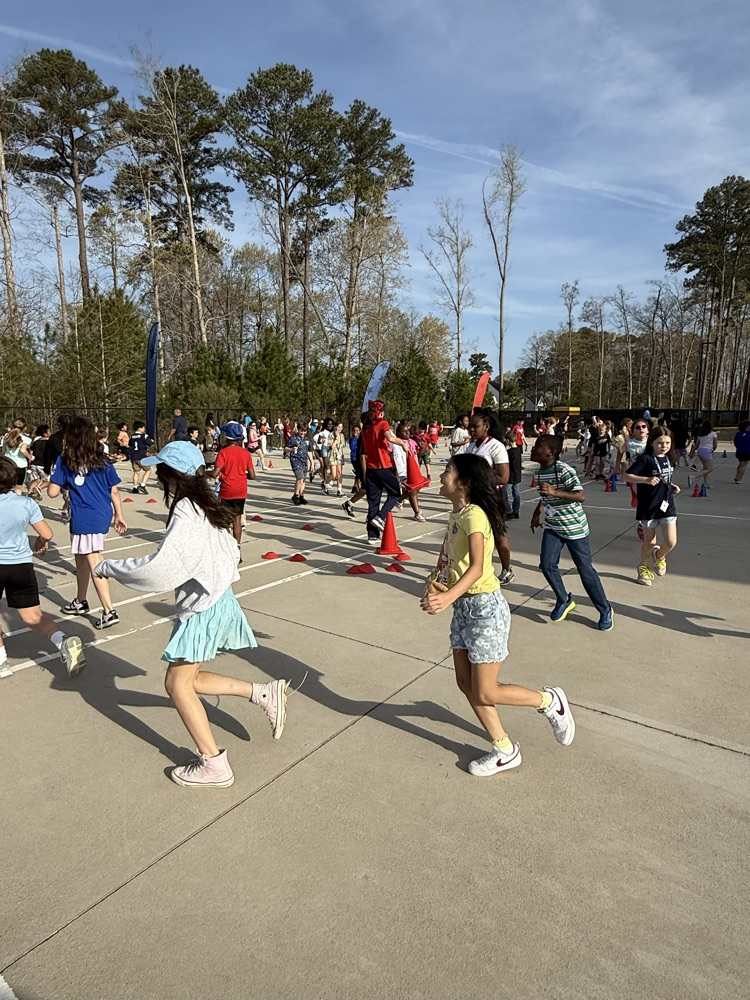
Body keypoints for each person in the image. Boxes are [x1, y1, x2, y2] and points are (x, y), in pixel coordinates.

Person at [92, 442, 289, 788]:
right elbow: (231, 553)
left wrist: (111, 567)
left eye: (161, 471)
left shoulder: (186, 509)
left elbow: (162, 569)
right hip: (218, 599)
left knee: (176, 684)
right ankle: (262, 692)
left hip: (203, 607)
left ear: (173, 476)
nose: (156, 477)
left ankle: (213, 763)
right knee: (190, 679)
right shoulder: (207, 505)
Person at [420, 452, 575, 777]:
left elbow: (478, 568)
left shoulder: (475, 516)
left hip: (485, 611)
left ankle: (549, 702)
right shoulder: (457, 515)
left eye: (447, 470)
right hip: (464, 609)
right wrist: (435, 586)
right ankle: (504, 749)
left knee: (486, 690)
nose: (440, 475)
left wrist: (447, 596)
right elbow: (449, 559)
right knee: (466, 683)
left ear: (464, 483)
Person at [0, 456, 86, 679]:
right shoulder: (26, 503)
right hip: (21, 566)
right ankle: (62, 641)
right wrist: (40, 542)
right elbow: (47, 533)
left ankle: (1, 661)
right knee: (33, 617)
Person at [47, 415, 127, 629]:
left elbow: (52, 492)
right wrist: (119, 515)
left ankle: (109, 610)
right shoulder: (103, 458)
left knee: (94, 562)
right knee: (81, 559)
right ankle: (80, 600)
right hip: (101, 513)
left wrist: (57, 478)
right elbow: (114, 489)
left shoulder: (66, 460)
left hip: (85, 516)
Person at [529, 434, 614, 631]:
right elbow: (545, 497)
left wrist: (555, 492)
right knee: (547, 565)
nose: (533, 448)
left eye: (538, 445)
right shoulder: (540, 472)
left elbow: (580, 495)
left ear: (550, 452)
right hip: (553, 525)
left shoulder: (563, 470)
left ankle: (605, 609)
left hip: (574, 527)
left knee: (585, 570)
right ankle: (563, 599)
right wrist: (537, 513)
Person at [625, 426, 681, 586]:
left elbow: (664, 478)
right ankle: (643, 567)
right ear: (652, 442)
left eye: (667, 443)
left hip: (667, 504)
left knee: (671, 541)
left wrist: (672, 486)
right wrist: (646, 480)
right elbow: (627, 475)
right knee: (649, 541)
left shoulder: (670, 458)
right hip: (648, 506)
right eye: (660, 443)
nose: (664, 446)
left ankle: (659, 555)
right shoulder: (646, 459)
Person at [466, 409, 514, 586]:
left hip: (493, 496)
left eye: (475, 426)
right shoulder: (472, 446)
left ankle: (507, 569)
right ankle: (475, 570)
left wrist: (479, 479)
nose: (471, 430)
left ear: (486, 426)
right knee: (475, 533)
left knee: (498, 534)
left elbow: (504, 477)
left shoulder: (496, 446)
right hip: (474, 496)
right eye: (469, 426)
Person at [361, 400, 408, 544]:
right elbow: (390, 438)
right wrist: (403, 444)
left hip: (371, 469)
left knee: (373, 501)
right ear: (380, 412)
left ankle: (372, 535)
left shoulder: (365, 428)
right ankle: (380, 517)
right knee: (395, 493)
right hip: (384, 467)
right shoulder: (382, 423)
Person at [214, 422, 256, 547]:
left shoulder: (223, 453)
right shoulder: (246, 453)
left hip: (227, 490)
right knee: (237, 520)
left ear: (227, 437)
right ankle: (237, 546)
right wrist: (241, 475)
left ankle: (228, 545)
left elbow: (215, 473)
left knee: (224, 520)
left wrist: (205, 473)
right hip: (240, 490)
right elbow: (253, 475)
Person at [394, 421, 425, 522]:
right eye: (404, 431)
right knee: (412, 490)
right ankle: (417, 513)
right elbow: (396, 457)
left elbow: (417, 455)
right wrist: (401, 472)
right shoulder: (397, 443)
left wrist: (423, 448)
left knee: (416, 489)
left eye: (408, 431)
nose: (407, 433)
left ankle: (399, 500)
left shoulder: (412, 441)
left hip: (413, 469)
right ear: (399, 433)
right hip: (403, 470)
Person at [284, 422, 311, 505]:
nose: (302, 433)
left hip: (304, 461)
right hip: (296, 460)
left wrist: (312, 462)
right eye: (301, 431)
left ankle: (301, 496)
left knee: (303, 480)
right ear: (298, 430)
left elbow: (309, 451)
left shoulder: (307, 439)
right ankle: (296, 495)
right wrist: (291, 449)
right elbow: (285, 448)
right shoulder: (293, 438)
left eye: (304, 431)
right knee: (300, 478)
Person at [688, 420, 718, 489]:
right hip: (707, 450)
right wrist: (712, 450)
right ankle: (694, 477)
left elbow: (696, 444)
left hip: (700, 450)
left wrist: (692, 451)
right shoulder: (713, 434)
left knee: (705, 468)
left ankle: (705, 483)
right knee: (710, 468)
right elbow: (715, 445)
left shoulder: (701, 434)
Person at [2, 427, 31, 495]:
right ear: (24, 428)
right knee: (18, 487)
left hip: (8, 464)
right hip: (20, 465)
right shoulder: (26, 439)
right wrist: (30, 457)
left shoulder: (6, 437)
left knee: (6, 487)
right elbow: (23, 450)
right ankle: (16, 503)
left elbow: (3, 450)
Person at [27, 425, 52, 501]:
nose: (50, 432)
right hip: (43, 465)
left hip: (34, 464)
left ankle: (29, 493)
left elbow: (31, 453)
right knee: (48, 481)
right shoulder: (49, 443)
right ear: (45, 434)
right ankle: (39, 488)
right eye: (49, 431)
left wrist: (29, 463)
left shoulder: (36, 442)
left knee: (37, 479)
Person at [129, 421, 154, 494]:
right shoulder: (144, 436)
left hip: (133, 456)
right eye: (143, 428)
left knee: (136, 472)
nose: (144, 429)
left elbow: (130, 444)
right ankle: (143, 485)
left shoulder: (132, 436)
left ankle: (135, 487)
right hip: (142, 456)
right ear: (139, 428)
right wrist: (151, 440)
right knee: (148, 470)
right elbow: (150, 443)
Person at [503, 428, 522, 519]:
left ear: (508, 440)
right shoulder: (518, 450)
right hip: (517, 476)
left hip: (510, 476)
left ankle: (509, 511)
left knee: (505, 494)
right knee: (516, 495)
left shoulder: (509, 452)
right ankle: (516, 511)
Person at [328, 421, 346, 497]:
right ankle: (326, 481)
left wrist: (339, 439)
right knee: (333, 474)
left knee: (339, 473)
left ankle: (339, 489)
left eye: (341, 427)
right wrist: (336, 438)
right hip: (332, 456)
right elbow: (332, 446)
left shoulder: (342, 435)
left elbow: (343, 444)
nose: (339, 428)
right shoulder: (331, 435)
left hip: (339, 456)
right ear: (335, 427)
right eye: (338, 426)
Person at [733, 420, 750, 484]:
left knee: (741, 464)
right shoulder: (749, 434)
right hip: (747, 452)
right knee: (743, 465)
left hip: (739, 451)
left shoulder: (738, 434)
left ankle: (737, 476)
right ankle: (739, 478)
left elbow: (735, 442)